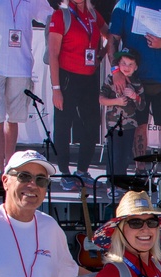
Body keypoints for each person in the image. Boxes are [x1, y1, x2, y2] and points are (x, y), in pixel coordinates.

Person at [109, 0, 161, 172]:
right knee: (139, 126)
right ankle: (140, 171)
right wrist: (116, 71)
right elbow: (112, 39)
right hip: (135, 80)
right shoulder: (124, 5)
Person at [0, 0, 56, 172]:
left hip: (21, 67)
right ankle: (0, 172)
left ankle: (10, 167)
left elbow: (50, 17)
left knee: (13, 120)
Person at [49, 0, 110, 190]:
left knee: (92, 124)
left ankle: (82, 171)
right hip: (67, 78)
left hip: (89, 77)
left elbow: (110, 36)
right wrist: (56, 88)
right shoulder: (61, 15)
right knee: (63, 125)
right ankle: (65, 173)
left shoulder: (93, 14)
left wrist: (100, 55)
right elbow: (53, 54)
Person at [99, 50, 146, 182]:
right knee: (114, 155)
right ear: (118, 64)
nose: (126, 67)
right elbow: (101, 99)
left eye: (131, 64)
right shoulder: (110, 80)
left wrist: (134, 96)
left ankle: (121, 182)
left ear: (136, 67)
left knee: (125, 156)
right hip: (113, 126)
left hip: (129, 126)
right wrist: (116, 101)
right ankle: (111, 183)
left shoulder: (137, 84)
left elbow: (142, 105)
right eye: (123, 63)